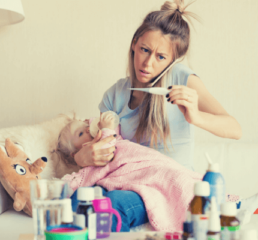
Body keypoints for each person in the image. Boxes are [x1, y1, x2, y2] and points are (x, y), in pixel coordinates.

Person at [63, 0, 242, 232]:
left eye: (161, 57)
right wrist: (81, 158)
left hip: (165, 185)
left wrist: (195, 116)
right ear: (134, 44)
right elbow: (108, 153)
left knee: (108, 208)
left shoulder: (182, 78)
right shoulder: (113, 96)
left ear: (172, 61)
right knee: (79, 202)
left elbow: (235, 129)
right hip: (123, 180)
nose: (148, 63)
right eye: (145, 50)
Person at [56, 114, 258, 231]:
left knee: (176, 180)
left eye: (85, 125)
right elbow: (68, 187)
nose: (87, 129)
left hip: (148, 174)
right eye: (81, 133)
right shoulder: (90, 162)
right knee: (88, 201)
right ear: (75, 153)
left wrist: (103, 126)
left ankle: (232, 207)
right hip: (120, 184)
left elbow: (112, 131)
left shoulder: (110, 137)